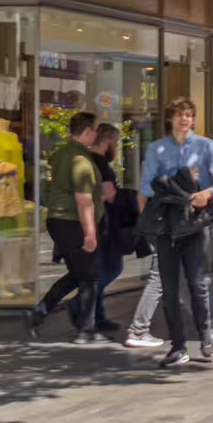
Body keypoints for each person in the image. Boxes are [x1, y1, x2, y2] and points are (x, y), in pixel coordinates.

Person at [140, 96, 213, 369]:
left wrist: (208, 194)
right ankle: (178, 347)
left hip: (193, 223)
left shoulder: (205, 146)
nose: (184, 119)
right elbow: (146, 186)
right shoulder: (157, 149)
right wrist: (146, 224)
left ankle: (204, 332)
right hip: (166, 225)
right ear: (170, 118)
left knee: (197, 284)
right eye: (179, 114)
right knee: (169, 291)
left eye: (188, 115)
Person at [26, 111, 112, 344]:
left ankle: (40, 312)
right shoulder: (82, 162)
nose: (97, 133)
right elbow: (83, 200)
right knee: (90, 276)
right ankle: (87, 331)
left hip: (60, 221)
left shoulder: (63, 153)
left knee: (78, 274)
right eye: (95, 129)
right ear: (87, 132)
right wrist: (90, 233)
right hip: (73, 222)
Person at [68, 122, 128, 335]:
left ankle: (97, 313)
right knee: (110, 268)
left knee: (102, 267)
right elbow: (108, 195)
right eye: (116, 142)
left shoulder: (87, 160)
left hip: (94, 221)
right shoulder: (100, 163)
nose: (117, 146)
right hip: (102, 223)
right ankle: (81, 303)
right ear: (109, 140)